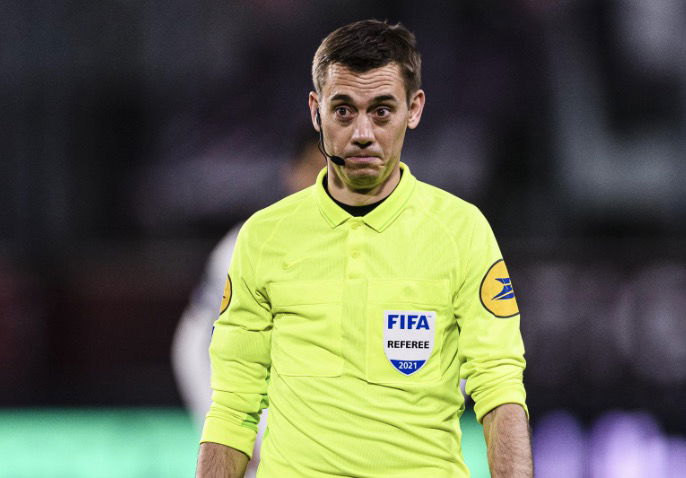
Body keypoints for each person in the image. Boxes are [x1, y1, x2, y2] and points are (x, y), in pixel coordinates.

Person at [197, 19, 532, 478]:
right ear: (316, 112)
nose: (361, 133)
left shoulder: (462, 231)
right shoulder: (263, 238)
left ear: (414, 109)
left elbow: (499, 390)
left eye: (381, 111)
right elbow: (233, 406)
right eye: (343, 111)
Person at [172, 129, 323, 478]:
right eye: (312, 167)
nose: (320, 180)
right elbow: (194, 344)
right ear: (292, 172)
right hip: (265, 449)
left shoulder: (382, 250)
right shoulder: (246, 245)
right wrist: (228, 437)